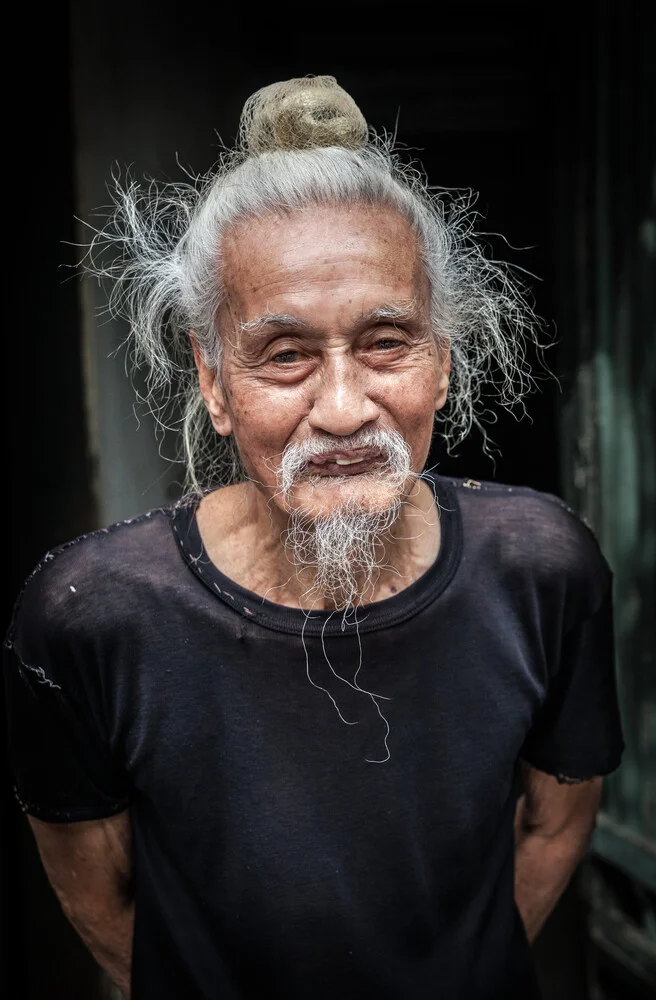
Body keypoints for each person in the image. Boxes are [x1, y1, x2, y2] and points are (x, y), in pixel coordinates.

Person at [4, 76, 624, 1000]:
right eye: (284, 355)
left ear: (443, 363)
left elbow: (552, 826)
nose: (341, 409)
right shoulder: (90, 616)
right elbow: (98, 890)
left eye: (386, 342)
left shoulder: (540, 567)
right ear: (212, 380)